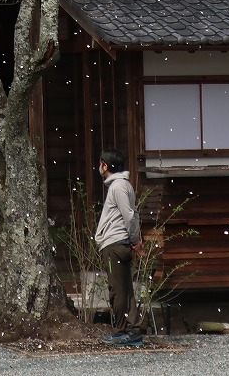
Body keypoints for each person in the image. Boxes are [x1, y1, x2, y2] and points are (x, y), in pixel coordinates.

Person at [95, 148, 144, 347]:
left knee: (118, 291)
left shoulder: (118, 187)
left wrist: (135, 240)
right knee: (125, 289)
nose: (99, 167)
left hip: (116, 243)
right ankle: (132, 330)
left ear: (106, 166)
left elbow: (130, 216)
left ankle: (123, 331)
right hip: (119, 243)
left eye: (101, 163)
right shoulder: (122, 186)